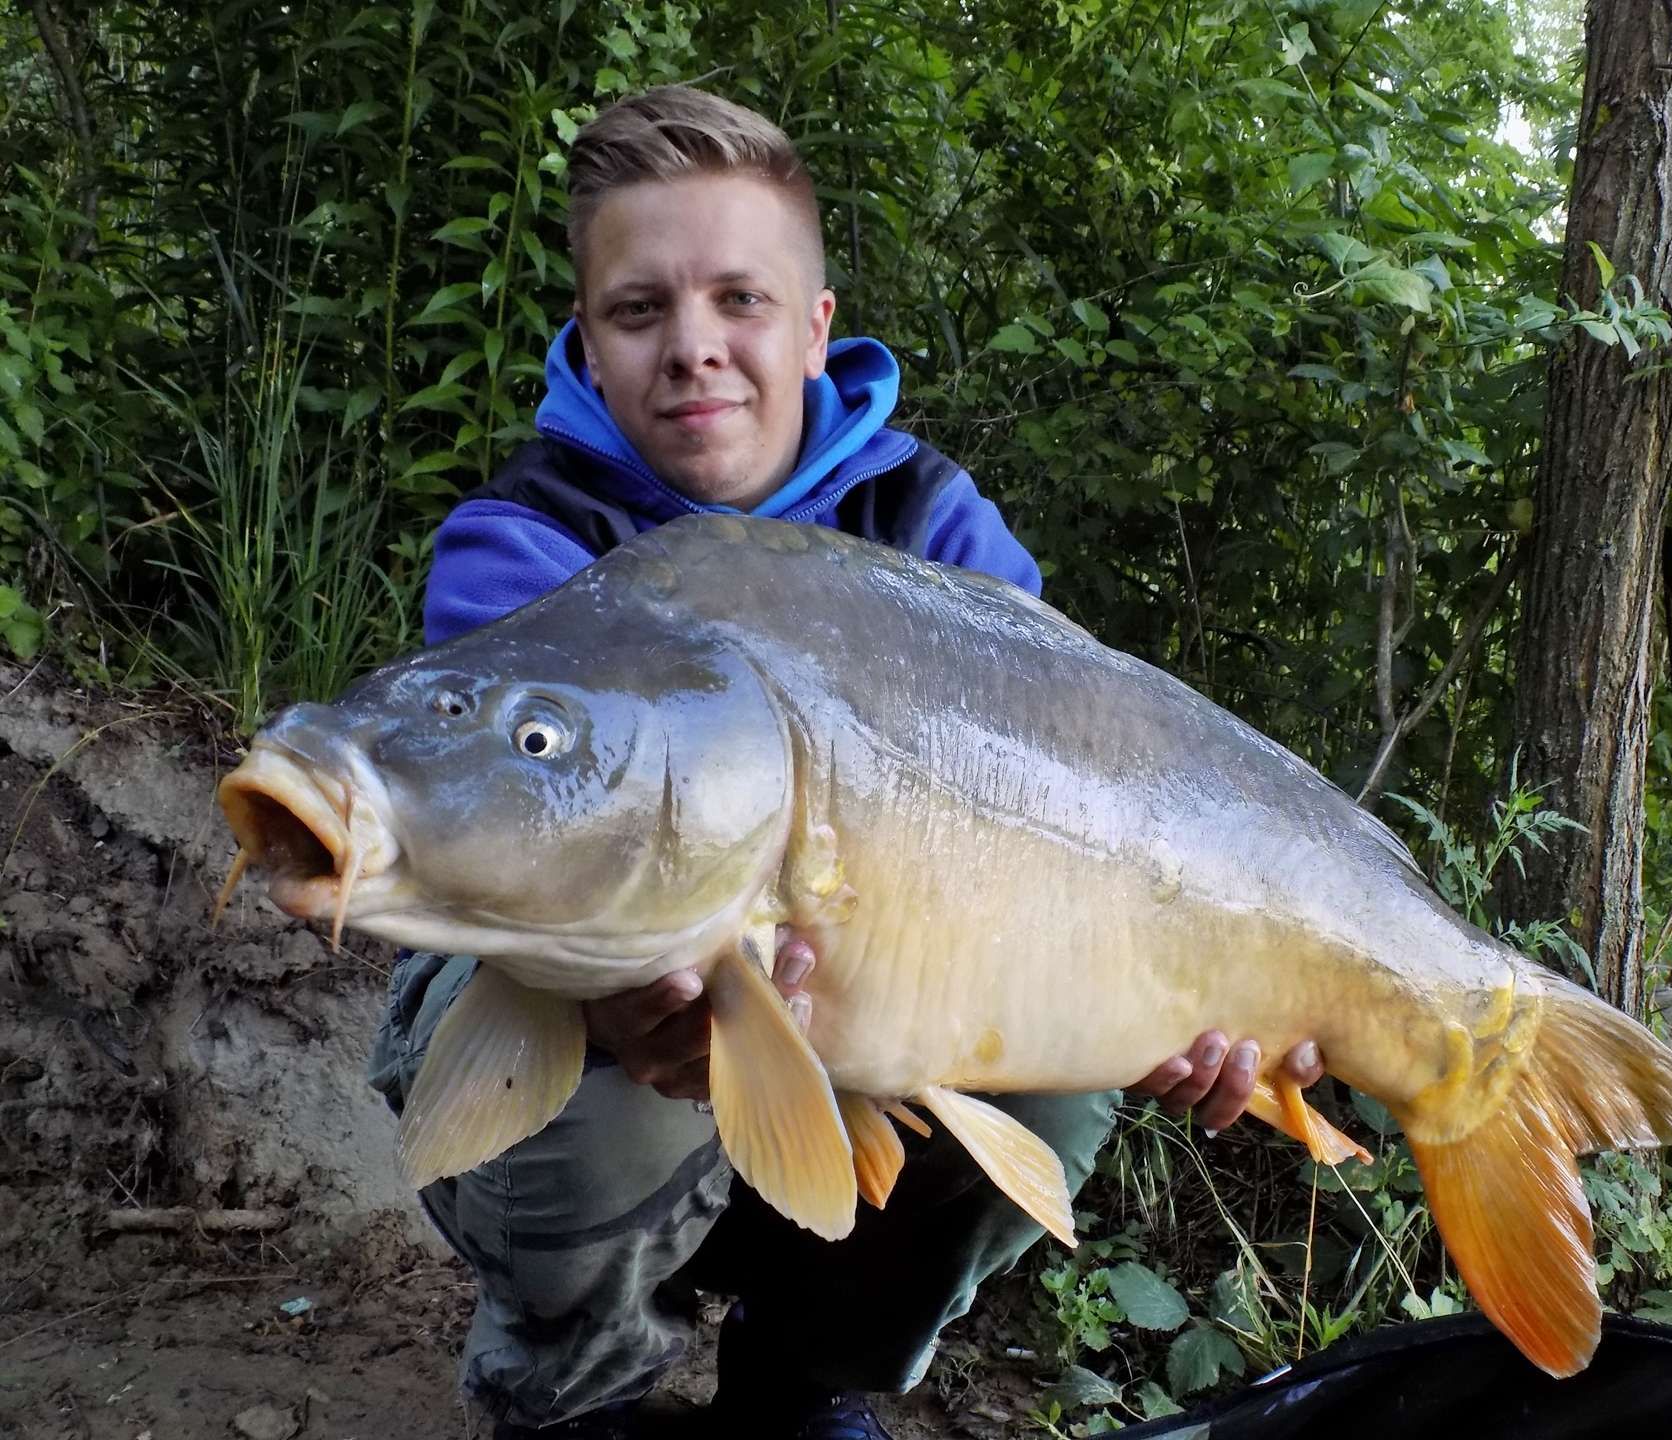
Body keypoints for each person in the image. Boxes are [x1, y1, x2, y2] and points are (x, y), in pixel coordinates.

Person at [368, 84, 1323, 1440]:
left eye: (739, 302)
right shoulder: (523, 542)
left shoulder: (931, 525)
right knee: (604, 1020)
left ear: (817, 329)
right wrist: (622, 1001)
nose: (694, 347)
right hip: (597, 1022)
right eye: (640, 310)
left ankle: (805, 1373)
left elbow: (1089, 800)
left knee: (1052, 1084)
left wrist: (1176, 992)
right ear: (585, 335)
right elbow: (524, 835)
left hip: (857, 1005)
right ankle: (573, 1384)